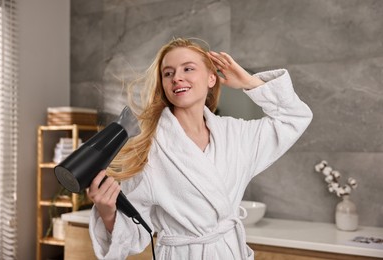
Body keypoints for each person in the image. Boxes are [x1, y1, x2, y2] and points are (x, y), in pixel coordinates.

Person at [88, 37, 313, 259]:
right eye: (168, 73)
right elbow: (134, 234)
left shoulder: (235, 135)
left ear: (211, 79)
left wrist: (249, 83)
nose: (177, 78)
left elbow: (293, 118)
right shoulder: (149, 148)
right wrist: (107, 213)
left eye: (188, 69)